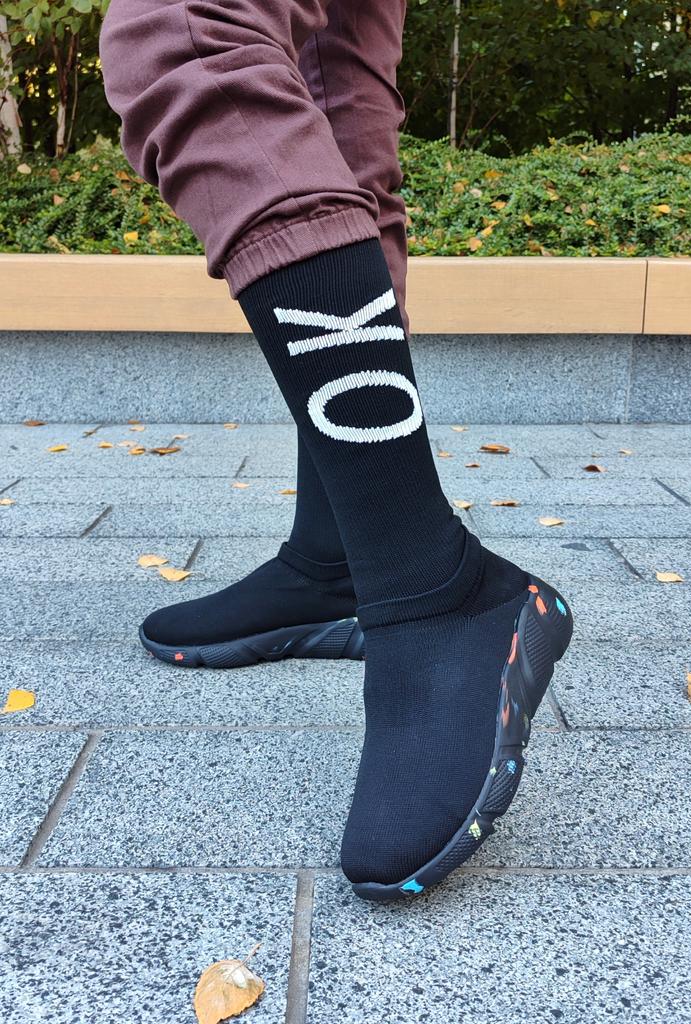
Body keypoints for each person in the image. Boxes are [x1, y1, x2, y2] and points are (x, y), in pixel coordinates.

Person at [98, 0, 572, 901]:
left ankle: (434, 585)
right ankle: (337, 560)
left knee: (184, 30)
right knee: (339, 116)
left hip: (435, 584)